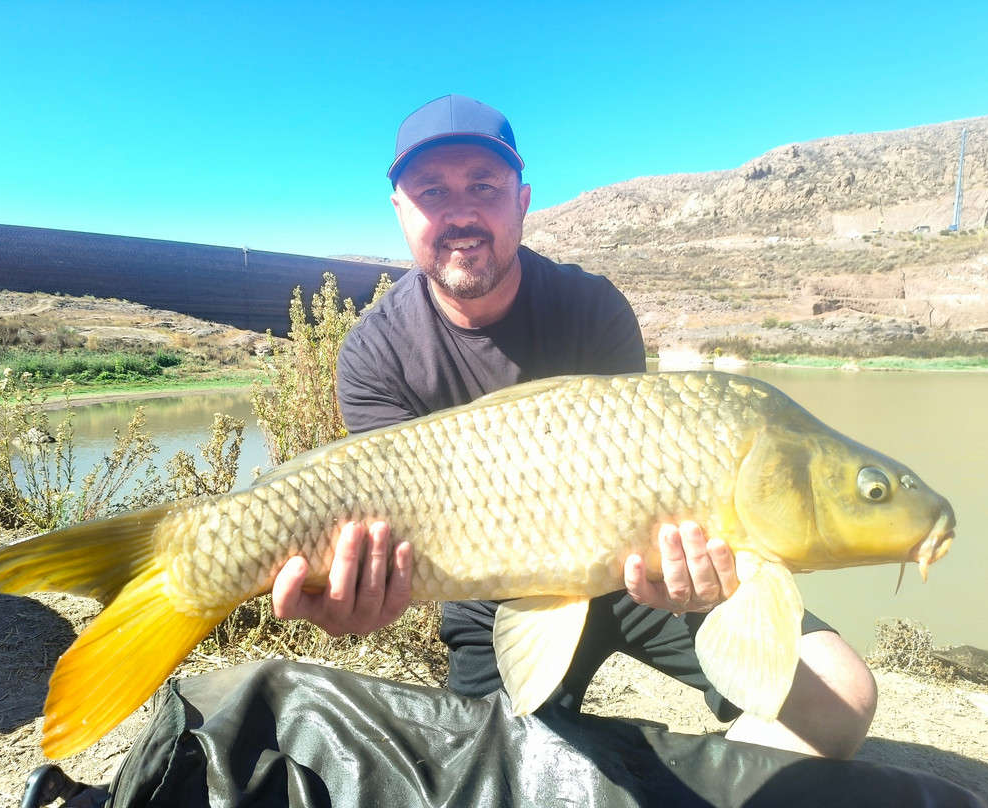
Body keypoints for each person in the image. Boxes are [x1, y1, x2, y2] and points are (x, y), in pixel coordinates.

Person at [271, 94, 877, 760]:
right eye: (432, 191)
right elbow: (385, 538)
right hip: (490, 601)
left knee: (841, 697)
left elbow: (660, 487)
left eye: (484, 187)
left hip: (638, 578)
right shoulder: (373, 354)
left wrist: (709, 571)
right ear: (400, 210)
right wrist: (355, 596)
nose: (462, 212)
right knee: (489, 768)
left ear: (522, 200)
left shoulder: (594, 307)